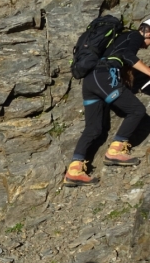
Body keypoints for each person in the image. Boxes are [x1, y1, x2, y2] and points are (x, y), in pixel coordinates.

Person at [64, 19, 150, 186]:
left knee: (93, 128)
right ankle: (115, 151)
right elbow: (128, 56)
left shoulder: (121, 39)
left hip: (90, 81)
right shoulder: (134, 35)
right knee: (137, 110)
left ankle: (74, 170)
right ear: (148, 31)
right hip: (104, 77)